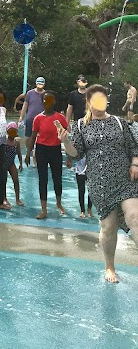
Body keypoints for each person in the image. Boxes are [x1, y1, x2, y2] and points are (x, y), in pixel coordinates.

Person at [59, 84, 138, 283]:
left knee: (134, 217)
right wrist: (65, 141)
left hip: (125, 180)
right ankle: (109, 267)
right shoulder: (79, 126)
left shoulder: (119, 122)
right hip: (100, 183)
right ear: (89, 102)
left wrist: (135, 163)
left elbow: (133, 146)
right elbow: (76, 154)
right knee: (108, 227)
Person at [25, 90, 68, 219]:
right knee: (42, 179)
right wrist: (28, 153)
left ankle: (59, 204)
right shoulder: (38, 118)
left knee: (57, 178)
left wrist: (70, 156)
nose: (48, 103)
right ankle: (44, 210)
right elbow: (33, 137)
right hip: (41, 150)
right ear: (42, 102)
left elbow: (65, 137)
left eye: (50, 100)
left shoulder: (60, 118)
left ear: (54, 102)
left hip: (55, 150)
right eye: (45, 100)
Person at [65, 75, 88, 168]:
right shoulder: (73, 94)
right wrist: (66, 123)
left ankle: (86, 162)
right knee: (75, 143)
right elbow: (69, 108)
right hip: (76, 123)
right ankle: (70, 160)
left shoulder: (90, 93)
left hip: (89, 122)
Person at [18, 76, 46, 147]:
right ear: (36, 83)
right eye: (38, 83)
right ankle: (28, 151)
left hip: (42, 119)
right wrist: (21, 116)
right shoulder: (30, 93)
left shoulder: (46, 94)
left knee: (41, 137)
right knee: (28, 137)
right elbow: (25, 104)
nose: (40, 85)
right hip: (30, 118)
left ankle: (37, 151)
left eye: (41, 83)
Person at [3, 122, 24, 207]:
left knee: (16, 180)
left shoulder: (16, 143)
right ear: (7, 132)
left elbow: (19, 154)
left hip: (11, 163)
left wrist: (21, 163)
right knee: (3, 181)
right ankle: (4, 198)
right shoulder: (4, 142)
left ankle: (17, 199)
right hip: (4, 163)